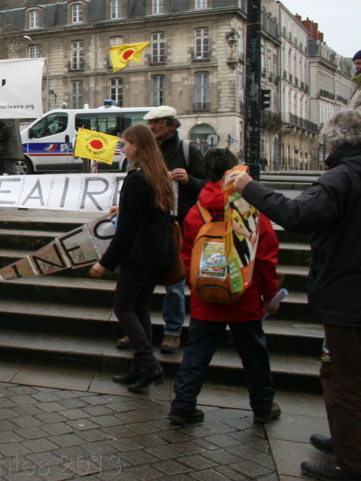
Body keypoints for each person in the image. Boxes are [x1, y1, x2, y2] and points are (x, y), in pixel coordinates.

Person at [228, 111, 361, 481]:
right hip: (351, 289)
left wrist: (249, 187)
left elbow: (298, 214)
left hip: (347, 296)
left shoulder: (342, 177)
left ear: (333, 143)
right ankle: (348, 439)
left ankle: (352, 462)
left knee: (342, 378)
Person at [168, 148, 281, 426]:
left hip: (207, 294)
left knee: (197, 353)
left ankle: (182, 405)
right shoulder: (249, 208)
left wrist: (197, 286)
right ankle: (263, 407)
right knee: (254, 354)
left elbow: (186, 255)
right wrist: (270, 295)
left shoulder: (197, 210)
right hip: (245, 292)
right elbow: (265, 256)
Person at [90, 124, 175, 392]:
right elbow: (149, 211)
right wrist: (124, 206)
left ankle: (149, 364)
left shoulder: (137, 178)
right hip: (158, 253)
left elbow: (126, 230)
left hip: (140, 254)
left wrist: (105, 262)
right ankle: (139, 369)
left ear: (136, 146)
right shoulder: (156, 173)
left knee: (123, 306)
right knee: (140, 307)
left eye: (125, 144)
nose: (122, 148)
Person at [117, 105, 204, 355]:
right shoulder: (143, 151)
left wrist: (189, 180)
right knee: (139, 289)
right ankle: (135, 330)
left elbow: (208, 185)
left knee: (174, 283)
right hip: (147, 226)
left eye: (159, 122)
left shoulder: (187, 150)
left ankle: (173, 331)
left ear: (172, 125)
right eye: (150, 123)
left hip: (176, 224)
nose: (153, 127)